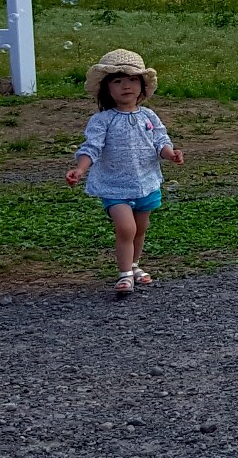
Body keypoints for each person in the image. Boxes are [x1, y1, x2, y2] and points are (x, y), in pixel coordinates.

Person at [66, 48, 185, 297]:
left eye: (132, 80)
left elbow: (160, 141)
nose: (126, 86)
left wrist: (170, 154)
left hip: (145, 182)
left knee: (140, 229)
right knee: (126, 228)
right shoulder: (103, 120)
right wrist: (80, 168)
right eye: (117, 81)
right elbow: (92, 147)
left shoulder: (148, 116)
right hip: (114, 185)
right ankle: (124, 275)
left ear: (142, 87)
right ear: (106, 89)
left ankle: (134, 265)